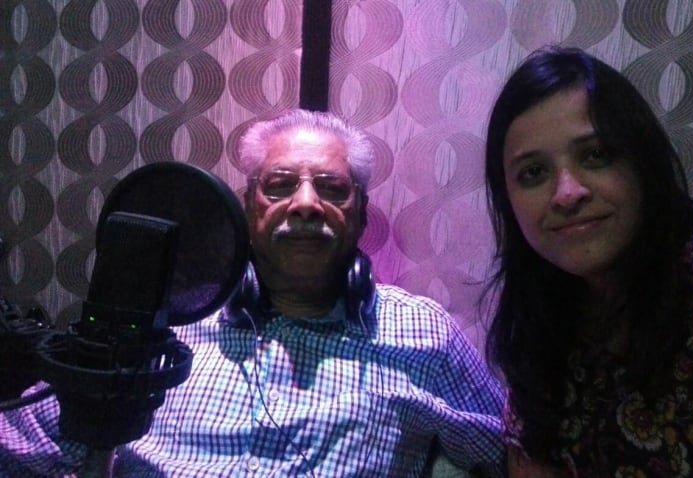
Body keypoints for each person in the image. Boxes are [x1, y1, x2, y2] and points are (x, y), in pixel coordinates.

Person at [0, 109, 505, 477]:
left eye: (331, 188)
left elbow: (509, 454)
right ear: (247, 208)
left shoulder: (423, 334)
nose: (305, 204)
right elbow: (27, 441)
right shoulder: (170, 318)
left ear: (359, 214)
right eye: (281, 185)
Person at [483, 46, 693, 477]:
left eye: (595, 154)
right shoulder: (541, 355)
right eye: (533, 173)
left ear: (642, 162)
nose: (567, 193)